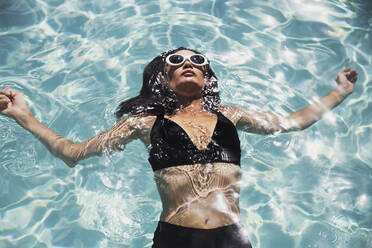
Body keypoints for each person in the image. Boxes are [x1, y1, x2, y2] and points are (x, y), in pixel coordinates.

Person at [0, 47, 358, 248]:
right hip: (175, 237)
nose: (188, 63)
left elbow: (291, 121)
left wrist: (339, 92)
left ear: (207, 77)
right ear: (163, 78)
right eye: (177, 61)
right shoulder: (145, 122)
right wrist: (23, 116)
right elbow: (72, 153)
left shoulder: (231, 115)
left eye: (197, 60)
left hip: (233, 238)